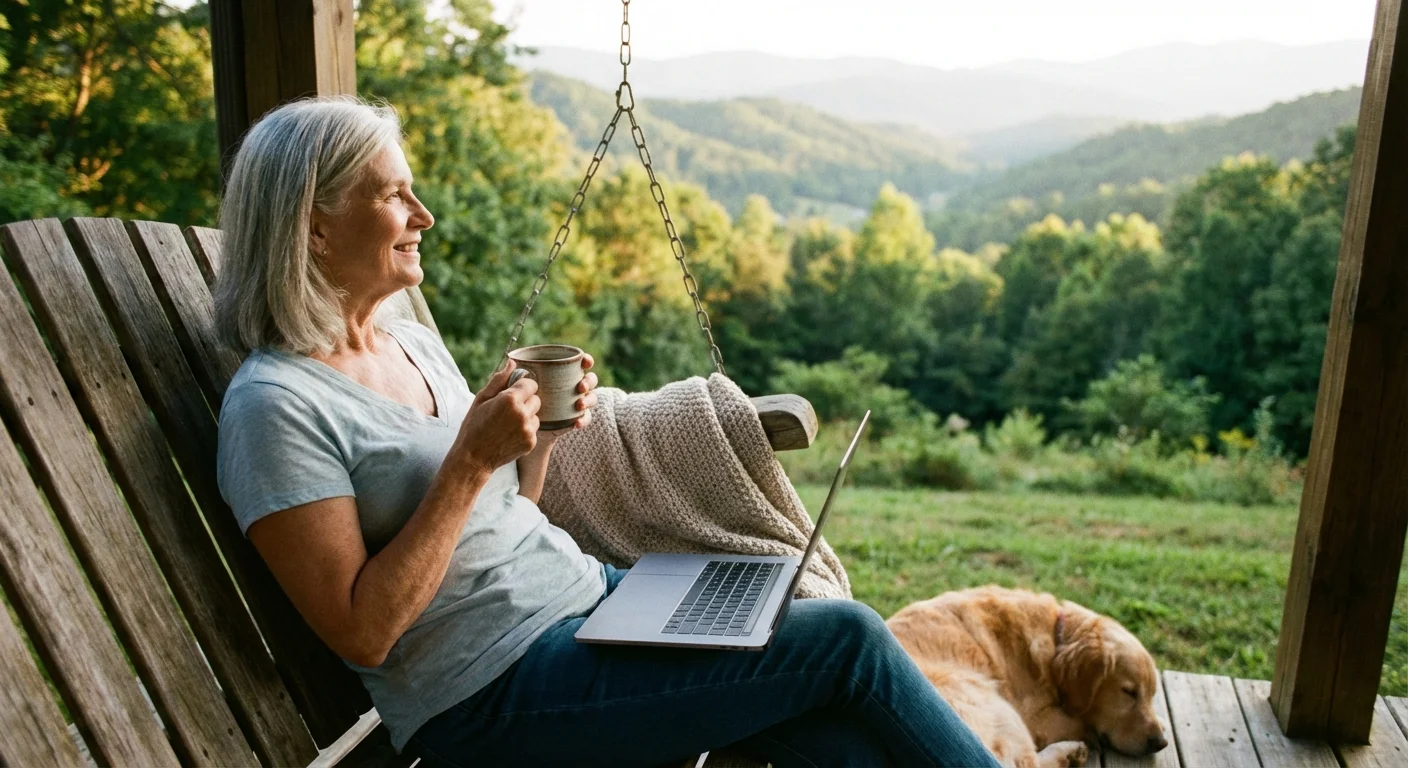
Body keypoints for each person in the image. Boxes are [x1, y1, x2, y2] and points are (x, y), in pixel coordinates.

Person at [214, 96, 1000, 768]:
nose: (423, 216)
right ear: (313, 226)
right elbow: (364, 634)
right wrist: (466, 460)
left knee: (824, 714)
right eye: (394, 197)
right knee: (847, 640)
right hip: (492, 693)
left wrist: (538, 441)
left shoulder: (405, 341)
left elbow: (498, 516)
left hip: (591, 604)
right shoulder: (275, 408)